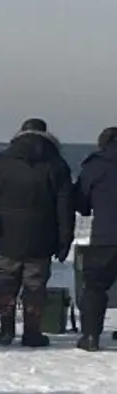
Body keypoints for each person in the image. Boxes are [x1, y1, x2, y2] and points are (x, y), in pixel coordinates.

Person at [0, 118, 74, 347]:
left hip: (7, 233)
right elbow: (65, 206)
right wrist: (64, 240)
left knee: (6, 280)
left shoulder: (2, 161)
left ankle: (5, 330)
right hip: (42, 236)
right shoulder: (56, 164)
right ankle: (32, 333)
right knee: (35, 284)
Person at [74, 127, 117, 351]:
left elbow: (81, 202)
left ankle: (90, 336)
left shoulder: (95, 165)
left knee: (94, 287)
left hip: (105, 235)